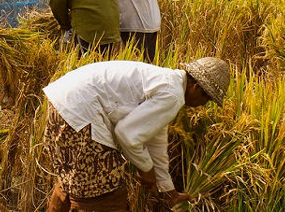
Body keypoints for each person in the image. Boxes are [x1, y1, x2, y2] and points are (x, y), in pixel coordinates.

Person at [42, 57, 231, 211]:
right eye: (207, 100)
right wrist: (146, 171)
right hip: (80, 112)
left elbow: (156, 144)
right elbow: (127, 135)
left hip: (63, 103)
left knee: (75, 180)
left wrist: (169, 191)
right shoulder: (172, 95)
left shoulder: (167, 83)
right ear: (196, 88)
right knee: (105, 195)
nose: (202, 106)